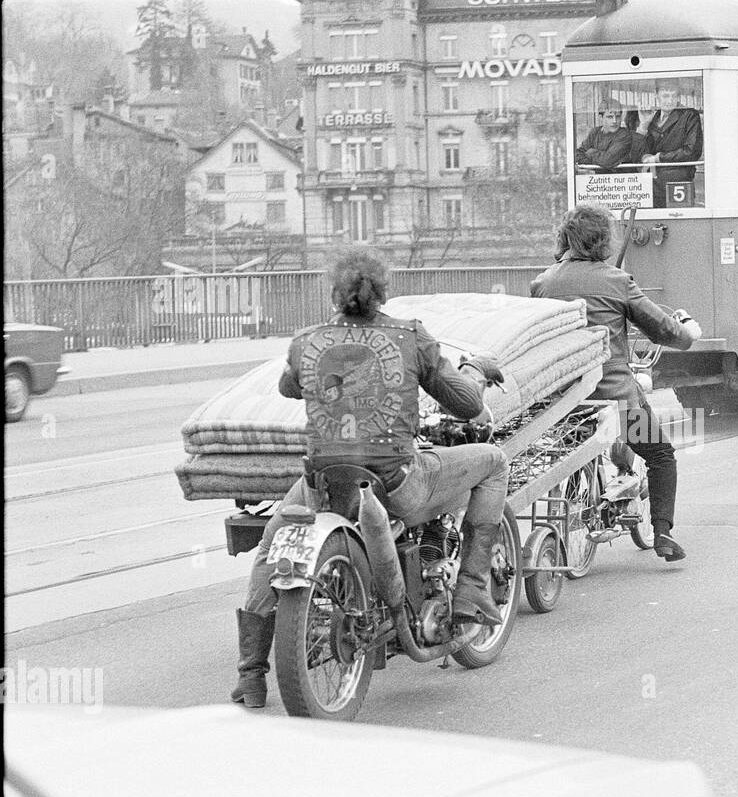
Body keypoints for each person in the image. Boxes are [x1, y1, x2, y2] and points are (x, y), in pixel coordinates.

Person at [231, 250, 509, 708]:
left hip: (324, 483)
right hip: (397, 483)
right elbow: (467, 406)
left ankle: (250, 676)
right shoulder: (410, 336)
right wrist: (475, 370)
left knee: (269, 547)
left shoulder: (307, 341)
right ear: (384, 290)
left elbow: (287, 386)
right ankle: (473, 589)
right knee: (494, 462)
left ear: (333, 292)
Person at [530, 205, 701, 560]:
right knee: (661, 456)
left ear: (566, 239)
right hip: (615, 400)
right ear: (604, 240)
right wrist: (689, 336)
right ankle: (663, 533)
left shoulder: (543, 283)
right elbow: (662, 328)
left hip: (563, 402)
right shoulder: (617, 282)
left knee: (574, 452)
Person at [642, 81, 702, 208]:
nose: (669, 101)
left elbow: (692, 151)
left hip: (679, 183)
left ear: (678, 97)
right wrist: (643, 127)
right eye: (665, 96)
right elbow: (644, 151)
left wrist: (659, 158)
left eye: (673, 96)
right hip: (653, 185)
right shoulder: (652, 118)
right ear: (656, 96)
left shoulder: (689, 115)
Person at [576, 99, 633, 173]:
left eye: (618, 116)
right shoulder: (595, 132)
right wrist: (599, 162)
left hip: (622, 181)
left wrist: (590, 152)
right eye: (610, 117)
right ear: (601, 118)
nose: (614, 121)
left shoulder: (624, 135)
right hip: (600, 181)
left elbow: (608, 160)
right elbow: (578, 155)